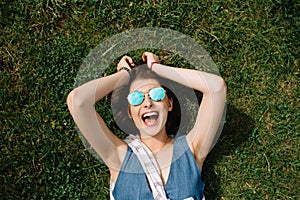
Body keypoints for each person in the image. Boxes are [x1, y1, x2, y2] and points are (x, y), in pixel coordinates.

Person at [67, 52, 226, 199]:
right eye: (136, 98)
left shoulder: (190, 150)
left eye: (156, 94)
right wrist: (124, 74)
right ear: (130, 112)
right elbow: (78, 102)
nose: (148, 103)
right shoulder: (119, 157)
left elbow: (216, 88)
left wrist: (156, 68)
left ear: (169, 104)